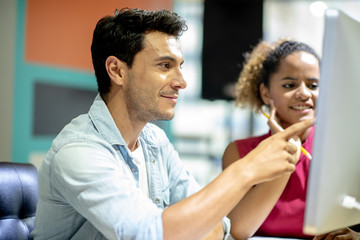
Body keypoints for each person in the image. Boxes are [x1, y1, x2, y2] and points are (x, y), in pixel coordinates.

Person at [31, 9, 314, 240]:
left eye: (180, 65)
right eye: (165, 66)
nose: (181, 82)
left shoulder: (153, 141)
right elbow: (153, 235)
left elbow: (216, 228)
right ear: (117, 70)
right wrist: (247, 170)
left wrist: (191, 225)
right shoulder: (79, 151)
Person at [222, 39, 360, 240]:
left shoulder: (346, 151)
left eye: (313, 85)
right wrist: (287, 151)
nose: (304, 93)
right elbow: (237, 230)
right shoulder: (239, 153)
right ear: (266, 93)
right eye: (290, 85)